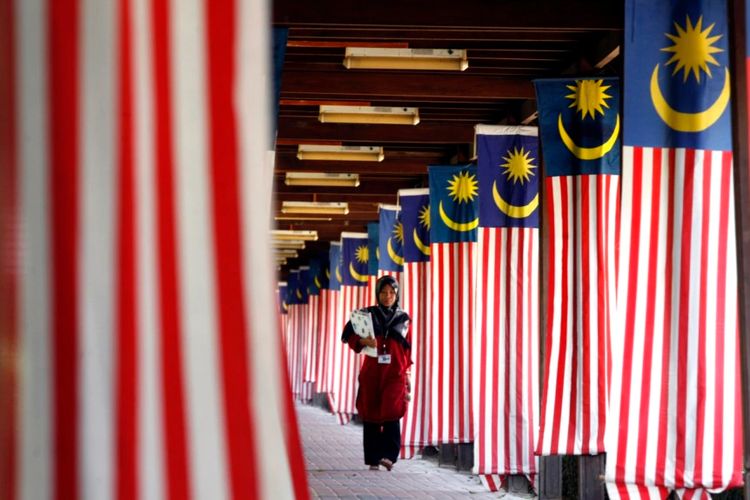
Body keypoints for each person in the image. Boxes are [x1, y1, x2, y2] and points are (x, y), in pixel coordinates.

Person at [341, 275, 412, 471]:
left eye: (392, 292)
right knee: (371, 413)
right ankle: (373, 457)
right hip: (372, 373)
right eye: (383, 292)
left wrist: (407, 373)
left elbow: (409, 349)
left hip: (395, 373)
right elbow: (347, 336)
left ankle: (389, 456)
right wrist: (364, 341)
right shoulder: (366, 315)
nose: (388, 296)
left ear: (396, 294)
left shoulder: (404, 319)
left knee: (392, 411)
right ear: (377, 293)